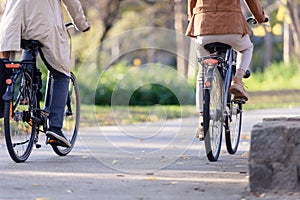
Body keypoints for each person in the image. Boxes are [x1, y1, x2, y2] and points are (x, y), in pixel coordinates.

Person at [0, 0, 90, 147]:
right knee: (61, 73)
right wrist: (82, 24)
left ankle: (26, 90)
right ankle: (55, 128)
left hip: (13, 23)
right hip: (42, 24)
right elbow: (71, 2)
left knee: (27, 51)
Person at [186, 0, 268, 140]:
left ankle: (202, 119)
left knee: (203, 72)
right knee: (246, 48)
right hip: (232, 28)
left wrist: (191, 17)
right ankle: (238, 79)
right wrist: (260, 17)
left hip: (203, 28)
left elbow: (191, 2)